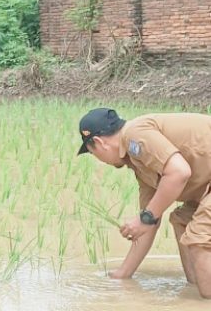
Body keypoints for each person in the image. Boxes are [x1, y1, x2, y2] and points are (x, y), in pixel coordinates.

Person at [77, 108, 211, 298]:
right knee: (183, 221)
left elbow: (179, 172)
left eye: (91, 152)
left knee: (199, 237)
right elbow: (149, 224)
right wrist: (122, 275)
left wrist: (146, 218)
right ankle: (197, 293)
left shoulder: (135, 135)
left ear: (99, 143)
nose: (98, 160)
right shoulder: (139, 164)